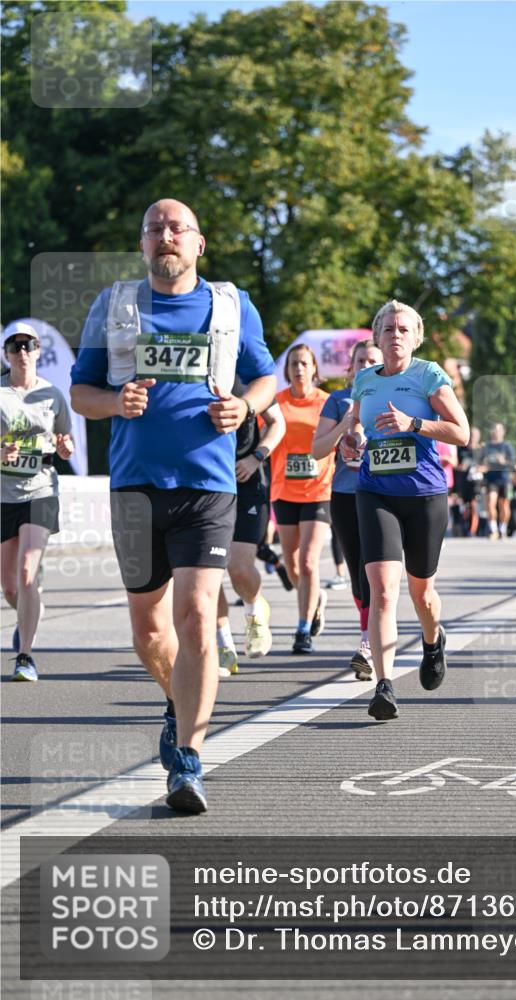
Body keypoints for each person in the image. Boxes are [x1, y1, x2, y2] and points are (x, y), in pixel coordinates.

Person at [70, 199, 276, 813]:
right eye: (155, 228)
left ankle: (187, 761)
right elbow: (82, 393)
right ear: (142, 245)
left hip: (208, 486)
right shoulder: (114, 305)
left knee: (194, 618)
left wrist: (247, 407)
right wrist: (116, 403)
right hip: (135, 487)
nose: (166, 236)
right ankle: (178, 699)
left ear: (198, 244)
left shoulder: (231, 305)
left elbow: (263, 378)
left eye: (177, 228)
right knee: (149, 631)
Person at [341, 300, 469, 720]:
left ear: (416, 337)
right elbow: (357, 424)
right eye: (388, 329)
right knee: (382, 589)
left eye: (403, 329)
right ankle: (384, 685)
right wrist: (353, 440)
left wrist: (414, 424)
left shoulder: (429, 375)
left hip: (424, 495)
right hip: (375, 491)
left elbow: (461, 432)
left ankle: (433, 642)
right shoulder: (364, 380)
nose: (395, 335)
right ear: (376, 337)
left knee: (422, 593)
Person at [1, 323, 75, 681]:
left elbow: (65, 440)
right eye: (15, 347)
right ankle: (28, 612)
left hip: (41, 488)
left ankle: (25, 656)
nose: (22, 352)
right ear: (6, 354)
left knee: (27, 571)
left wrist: (65, 448)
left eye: (28, 345)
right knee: (11, 586)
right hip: (3, 493)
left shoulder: (52, 394)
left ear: (38, 351)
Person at [312, 338, 383, 679]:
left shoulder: (393, 397)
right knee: (356, 573)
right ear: (351, 367)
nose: (366, 365)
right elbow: (317, 450)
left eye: (373, 359)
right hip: (344, 494)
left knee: (374, 569)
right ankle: (369, 635)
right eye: (361, 360)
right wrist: (346, 424)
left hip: (384, 494)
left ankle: (369, 643)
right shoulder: (337, 400)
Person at [216, 382, 286, 676]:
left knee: (239, 568)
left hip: (247, 483)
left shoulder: (245, 377)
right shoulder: (188, 372)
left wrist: (255, 457)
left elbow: (277, 423)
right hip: (204, 485)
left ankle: (255, 609)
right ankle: (222, 645)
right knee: (202, 574)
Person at [271, 345, 334, 654]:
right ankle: (316, 599)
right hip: (283, 489)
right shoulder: (277, 403)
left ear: (313, 369)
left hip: (318, 489)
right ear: (288, 370)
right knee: (293, 565)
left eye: (304, 363)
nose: (298, 368)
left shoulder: (326, 403)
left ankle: (302, 629)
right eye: (294, 363)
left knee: (309, 562)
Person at [479, 422, 515, 540]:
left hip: (505, 478)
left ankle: (503, 528)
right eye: (494, 429)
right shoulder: (487, 446)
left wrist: (503, 462)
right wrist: (482, 467)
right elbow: (480, 462)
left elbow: (513, 463)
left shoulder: (507, 446)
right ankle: (493, 529)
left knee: (504, 506)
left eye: (499, 430)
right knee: (490, 504)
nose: (496, 432)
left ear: (503, 432)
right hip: (491, 479)